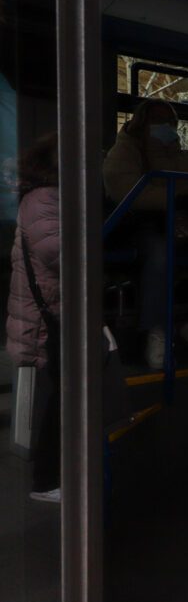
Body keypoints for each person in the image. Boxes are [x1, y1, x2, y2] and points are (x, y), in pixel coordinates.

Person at [104, 99, 188, 369]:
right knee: (161, 253)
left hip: (186, 226)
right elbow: (127, 192)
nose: (165, 126)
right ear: (143, 123)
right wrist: (180, 198)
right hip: (142, 226)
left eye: (169, 121)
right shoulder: (126, 153)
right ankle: (155, 330)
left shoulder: (187, 158)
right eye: (158, 120)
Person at [6, 134, 61, 502]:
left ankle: (52, 478)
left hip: (49, 312)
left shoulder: (45, 196)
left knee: (56, 399)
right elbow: (58, 252)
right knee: (54, 403)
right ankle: (46, 482)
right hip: (47, 318)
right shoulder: (45, 198)